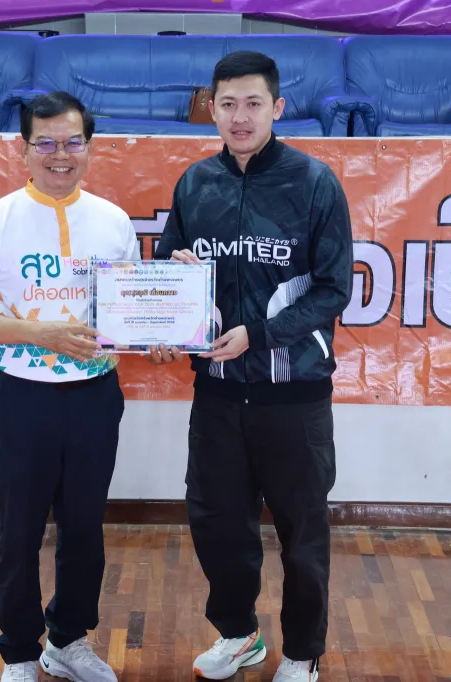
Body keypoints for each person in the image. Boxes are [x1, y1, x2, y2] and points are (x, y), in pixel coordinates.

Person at [150, 51, 353, 682]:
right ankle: (238, 635)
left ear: (277, 108)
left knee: (302, 533)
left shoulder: (314, 182)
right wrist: (167, 300)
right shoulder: (194, 183)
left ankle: (302, 653)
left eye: (253, 103)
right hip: (216, 395)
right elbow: (166, 263)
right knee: (216, 524)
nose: (240, 117)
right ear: (211, 109)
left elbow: (333, 289)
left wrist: (258, 336)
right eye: (228, 104)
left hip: (293, 396)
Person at [0, 91, 140, 682]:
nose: (61, 154)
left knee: (84, 528)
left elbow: (129, 310)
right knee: (20, 530)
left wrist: (162, 328)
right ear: (23, 150)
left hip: (95, 397)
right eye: (46, 142)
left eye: (73, 141)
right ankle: (21, 653)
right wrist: (41, 334)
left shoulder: (114, 222)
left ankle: (69, 640)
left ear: (89, 147)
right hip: (23, 398)